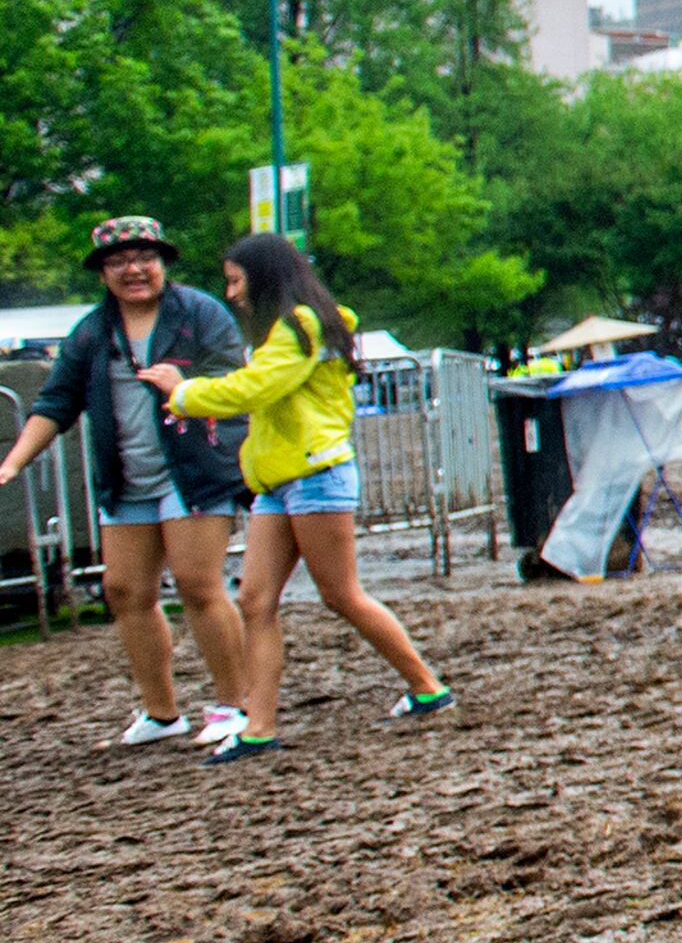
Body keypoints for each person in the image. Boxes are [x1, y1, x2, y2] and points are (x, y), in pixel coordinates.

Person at [149, 234, 453, 760]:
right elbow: (261, 390)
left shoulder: (302, 326)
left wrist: (182, 392)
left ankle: (428, 688)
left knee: (341, 594)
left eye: (237, 280)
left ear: (264, 277)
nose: (232, 293)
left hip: (316, 474)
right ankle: (259, 728)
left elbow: (254, 390)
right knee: (255, 600)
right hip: (281, 481)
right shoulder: (291, 330)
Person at [0, 217, 254, 749]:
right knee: (124, 590)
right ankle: (162, 712)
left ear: (163, 263)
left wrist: (186, 387)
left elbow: (235, 385)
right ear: (102, 273)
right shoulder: (93, 331)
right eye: (118, 261)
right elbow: (55, 402)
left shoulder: (200, 314)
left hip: (195, 469)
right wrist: (13, 462)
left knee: (196, 582)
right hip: (126, 477)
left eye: (144, 257)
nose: (133, 270)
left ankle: (236, 704)